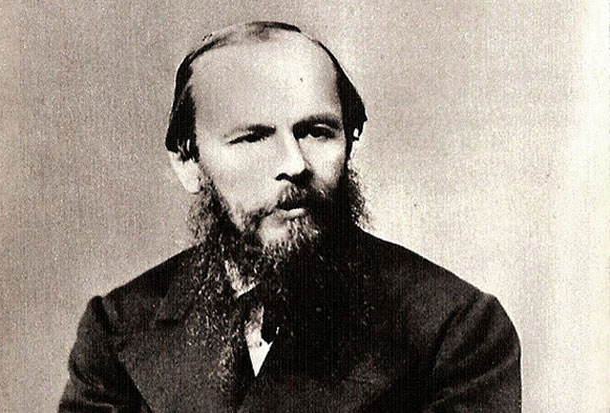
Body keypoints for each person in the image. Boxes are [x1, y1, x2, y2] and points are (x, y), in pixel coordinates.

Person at [59, 21, 521, 412]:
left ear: (350, 139)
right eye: (252, 137)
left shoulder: (454, 328)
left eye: (317, 132)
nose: (294, 163)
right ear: (188, 162)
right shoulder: (118, 326)